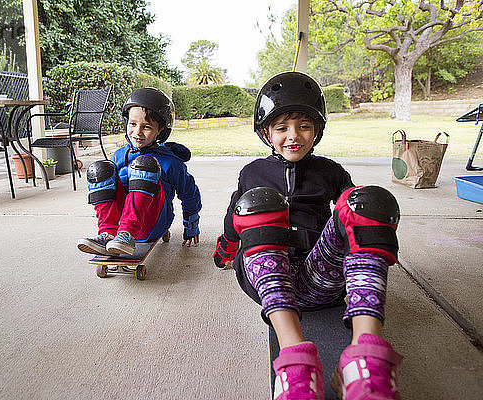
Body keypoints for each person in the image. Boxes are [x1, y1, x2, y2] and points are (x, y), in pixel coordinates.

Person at [213, 72, 403, 400]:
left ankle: (364, 357)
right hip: (267, 281)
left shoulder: (329, 170)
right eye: (282, 127)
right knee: (259, 204)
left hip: (320, 279)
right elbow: (234, 220)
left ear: (317, 131)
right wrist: (224, 250)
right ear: (266, 133)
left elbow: (355, 220)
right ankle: (296, 362)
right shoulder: (253, 173)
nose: (293, 136)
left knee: (367, 202)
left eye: (304, 126)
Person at [78, 87, 201, 256]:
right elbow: (110, 193)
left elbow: (189, 193)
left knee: (145, 165)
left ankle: (127, 234)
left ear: (161, 130)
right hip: (119, 224)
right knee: (100, 169)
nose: (137, 132)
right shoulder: (119, 155)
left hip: (152, 223)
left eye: (147, 127)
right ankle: (107, 234)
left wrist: (191, 227)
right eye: (133, 124)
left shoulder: (170, 161)